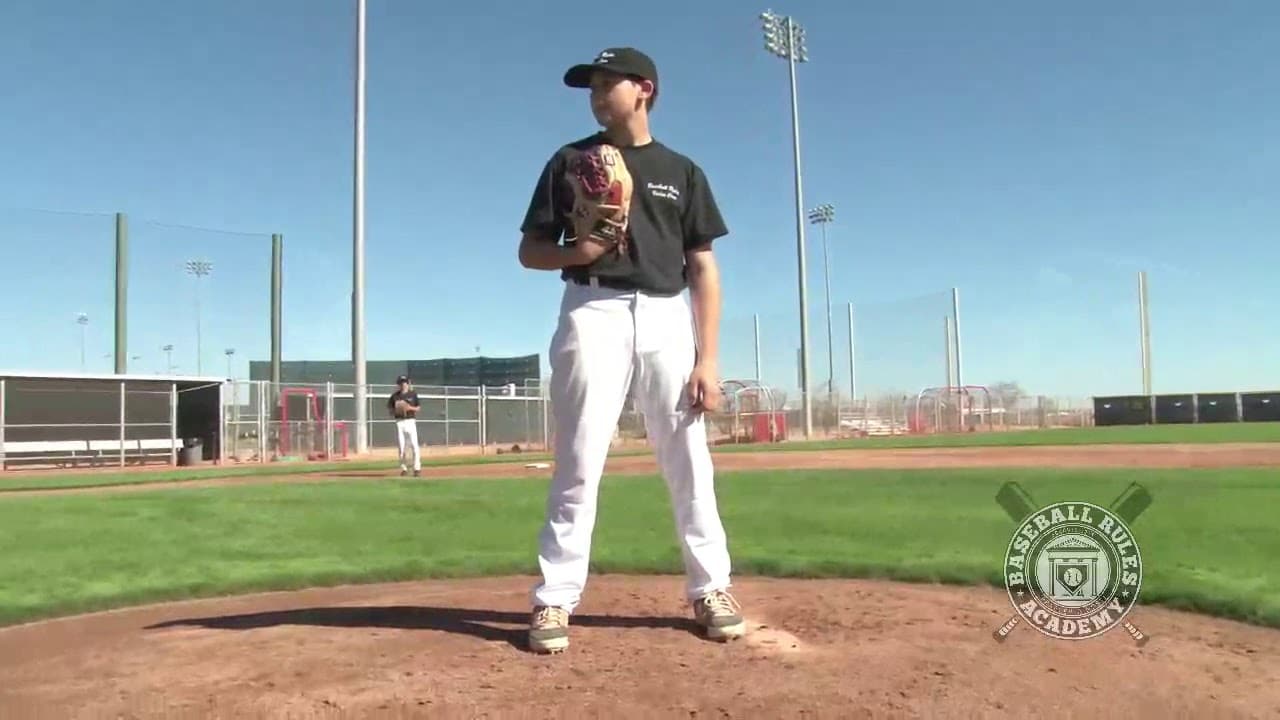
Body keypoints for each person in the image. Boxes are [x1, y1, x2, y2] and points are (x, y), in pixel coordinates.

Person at [517, 46, 745, 654]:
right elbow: (530, 251)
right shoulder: (570, 161)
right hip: (591, 308)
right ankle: (555, 599)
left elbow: (703, 267)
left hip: (668, 316)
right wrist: (580, 253)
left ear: (643, 88)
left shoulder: (682, 169)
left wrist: (709, 357)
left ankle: (710, 588)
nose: (595, 92)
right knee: (579, 458)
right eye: (589, 84)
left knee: (688, 459)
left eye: (606, 82)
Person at [387, 375, 421, 477]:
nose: (403, 384)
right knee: (401, 447)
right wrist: (397, 410)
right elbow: (390, 411)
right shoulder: (395, 396)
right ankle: (404, 469)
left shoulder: (413, 394)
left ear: (408, 383)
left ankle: (417, 468)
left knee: (414, 445)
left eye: (405, 382)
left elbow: (418, 408)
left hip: (410, 421)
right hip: (400, 422)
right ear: (398, 384)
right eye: (401, 383)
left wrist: (409, 407)